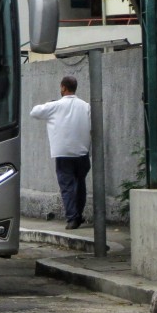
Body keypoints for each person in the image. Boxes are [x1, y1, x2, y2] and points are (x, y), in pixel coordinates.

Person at [30, 75, 91, 230]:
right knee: (80, 184)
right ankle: (78, 215)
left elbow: (34, 112)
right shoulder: (86, 106)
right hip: (82, 152)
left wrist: (49, 103)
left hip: (63, 153)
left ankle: (72, 218)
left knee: (67, 186)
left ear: (63, 87)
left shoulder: (55, 106)